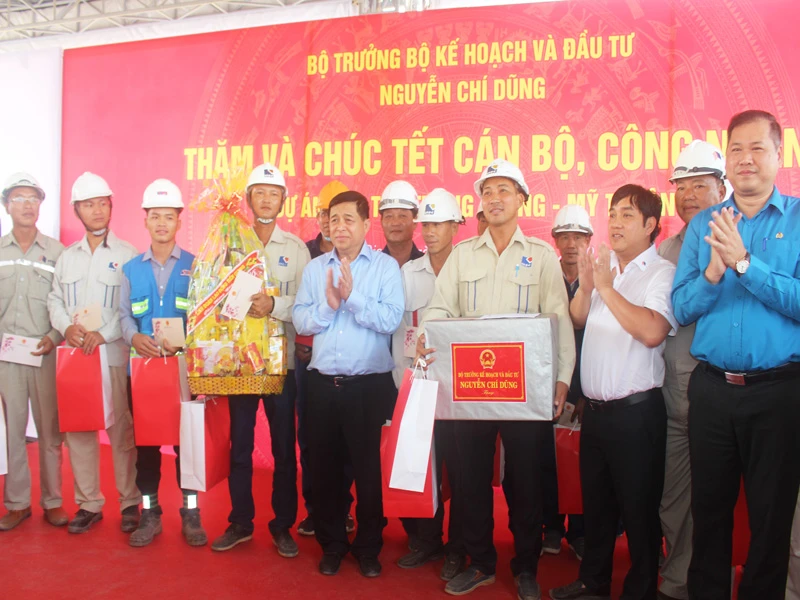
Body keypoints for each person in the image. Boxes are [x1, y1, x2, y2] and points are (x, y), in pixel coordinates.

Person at [418, 159, 576, 600]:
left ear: (522, 199)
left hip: (526, 390)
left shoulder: (541, 256)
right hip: (470, 388)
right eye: (487, 192)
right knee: (470, 480)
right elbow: (439, 308)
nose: (494, 198)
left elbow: (559, 320)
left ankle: (525, 566)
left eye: (504, 190)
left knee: (525, 481)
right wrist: (428, 335)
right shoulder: (463, 255)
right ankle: (481, 562)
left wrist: (562, 378)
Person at [672, 110, 800, 599]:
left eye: (757, 148)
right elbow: (681, 308)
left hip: (778, 392)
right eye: (737, 150)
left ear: (779, 155)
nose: (746, 159)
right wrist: (712, 274)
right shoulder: (703, 225)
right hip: (712, 392)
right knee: (709, 513)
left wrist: (745, 264)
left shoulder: (797, 219)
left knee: (771, 517)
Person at [551, 184, 677, 600]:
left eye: (627, 215)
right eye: (613, 214)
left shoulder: (661, 273)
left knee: (639, 510)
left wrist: (605, 287)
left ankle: (640, 589)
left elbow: (652, 331)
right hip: (597, 413)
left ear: (651, 224)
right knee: (597, 506)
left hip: (636, 415)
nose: (616, 223)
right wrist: (589, 287)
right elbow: (578, 318)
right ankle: (594, 582)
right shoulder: (608, 269)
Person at [293, 190, 403, 578]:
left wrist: (352, 297)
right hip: (322, 386)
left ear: (366, 225)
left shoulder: (385, 268)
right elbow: (300, 320)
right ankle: (332, 544)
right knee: (324, 472)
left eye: (348, 219)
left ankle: (369, 548)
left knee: (370, 474)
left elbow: (391, 320)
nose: (339, 227)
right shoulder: (314, 269)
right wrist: (329, 305)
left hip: (369, 388)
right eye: (334, 219)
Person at [211, 163, 311, 556]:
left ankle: (282, 525)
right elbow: (216, 296)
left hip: (282, 363)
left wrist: (274, 305)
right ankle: (240, 521)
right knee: (240, 446)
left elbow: (306, 303)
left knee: (285, 448)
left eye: (274, 193)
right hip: (241, 362)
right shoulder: (232, 242)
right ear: (249, 199)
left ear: (284, 200)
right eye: (260, 193)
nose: (267, 200)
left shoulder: (297, 249)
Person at [47, 171, 141, 534]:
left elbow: (131, 308)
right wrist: (65, 327)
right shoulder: (66, 257)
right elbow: (55, 299)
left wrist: (104, 334)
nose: (97, 210)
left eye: (103, 203)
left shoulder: (128, 254)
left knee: (122, 433)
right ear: (77, 210)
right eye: (89, 205)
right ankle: (88, 503)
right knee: (80, 432)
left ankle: (129, 502)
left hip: (113, 355)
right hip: (76, 360)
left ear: (111, 206)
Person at [119, 179, 205, 547]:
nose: (161, 223)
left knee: (187, 446)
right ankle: (150, 512)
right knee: (147, 447)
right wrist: (133, 337)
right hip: (142, 373)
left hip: (183, 373)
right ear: (145, 221)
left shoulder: (195, 266)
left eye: (168, 217)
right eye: (155, 216)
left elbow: (202, 318)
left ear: (179, 221)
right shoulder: (130, 269)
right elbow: (123, 315)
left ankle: (191, 513)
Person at [657, 140, 726, 600]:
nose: (688, 195)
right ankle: (678, 582)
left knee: (743, 502)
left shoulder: (743, 238)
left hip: (736, 395)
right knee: (675, 501)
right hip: (677, 400)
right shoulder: (665, 251)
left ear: (722, 187)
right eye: (681, 186)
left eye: (700, 185)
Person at [391, 188, 467, 581]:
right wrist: (403, 381)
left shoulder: (470, 268)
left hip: (461, 389)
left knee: (461, 469)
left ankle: (459, 547)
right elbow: (402, 332)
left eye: (439, 224)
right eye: (427, 224)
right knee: (422, 464)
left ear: (456, 227)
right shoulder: (408, 274)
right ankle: (427, 540)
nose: (431, 231)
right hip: (418, 385)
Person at [0, 173, 66, 531]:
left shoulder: (57, 252)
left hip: (46, 353)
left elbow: (65, 303)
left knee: (49, 432)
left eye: (33, 198)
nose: (27, 205)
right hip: (7, 357)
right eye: (19, 198)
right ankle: (17, 503)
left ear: (40, 205)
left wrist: (55, 336)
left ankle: (53, 501)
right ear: (6, 205)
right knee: (12, 432)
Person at [296, 179, 355, 538]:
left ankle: (343, 509)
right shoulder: (304, 254)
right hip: (308, 364)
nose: (332, 222)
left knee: (346, 442)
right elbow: (298, 305)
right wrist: (303, 341)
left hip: (347, 366)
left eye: (341, 215)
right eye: (325, 214)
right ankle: (314, 509)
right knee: (311, 439)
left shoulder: (361, 256)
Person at [540, 204, 592, 559]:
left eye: (578, 236)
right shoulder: (545, 276)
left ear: (589, 239)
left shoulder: (600, 279)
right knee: (548, 460)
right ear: (555, 240)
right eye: (564, 236)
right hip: (549, 382)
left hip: (587, 386)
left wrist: (586, 391)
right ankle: (552, 527)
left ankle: (580, 532)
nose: (571, 244)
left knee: (583, 462)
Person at [380, 180, 423, 267]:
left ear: (415, 221)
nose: (395, 223)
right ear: (381, 222)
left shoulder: (428, 267)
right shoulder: (372, 268)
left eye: (402, 216)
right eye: (389, 216)